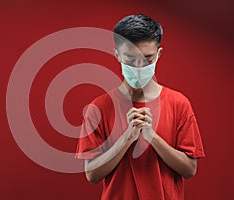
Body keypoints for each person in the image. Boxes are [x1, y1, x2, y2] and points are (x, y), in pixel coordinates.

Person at [76, 14, 205, 200]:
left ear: (159, 54)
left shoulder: (179, 104)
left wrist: (151, 136)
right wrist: (128, 137)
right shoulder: (98, 108)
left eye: (147, 58)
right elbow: (92, 174)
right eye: (130, 58)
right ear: (117, 54)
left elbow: (189, 169)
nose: (138, 66)